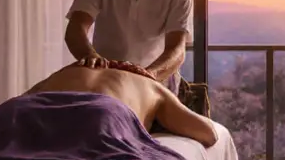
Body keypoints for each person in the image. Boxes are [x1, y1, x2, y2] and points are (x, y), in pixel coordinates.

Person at [25, 60, 218, 148]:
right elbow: (208, 134)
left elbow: (19, 102)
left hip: (35, 109)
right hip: (101, 111)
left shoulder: (71, 70)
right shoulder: (151, 86)